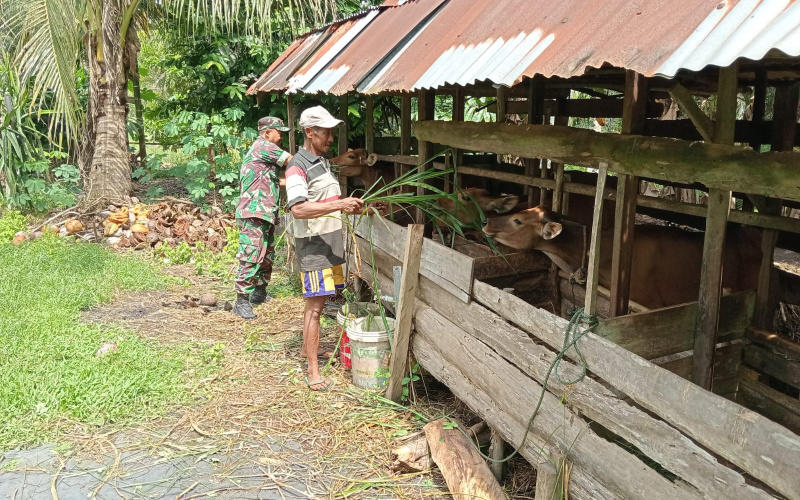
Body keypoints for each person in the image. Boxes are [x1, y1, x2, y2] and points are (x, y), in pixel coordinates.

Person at [285, 106, 366, 392]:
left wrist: (354, 207)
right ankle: (312, 371)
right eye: (326, 132)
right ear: (309, 132)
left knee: (321, 304)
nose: (331, 137)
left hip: (328, 244)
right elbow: (299, 209)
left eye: (332, 131)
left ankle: (311, 352)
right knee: (315, 309)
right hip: (314, 247)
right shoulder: (297, 166)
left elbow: (324, 200)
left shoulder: (321, 162)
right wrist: (340, 204)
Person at [232, 117, 292, 320]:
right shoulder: (265, 146)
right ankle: (241, 302)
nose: (281, 135)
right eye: (279, 131)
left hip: (264, 211)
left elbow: (274, 180)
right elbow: (293, 162)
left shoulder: (263, 156)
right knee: (252, 254)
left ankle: (259, 293)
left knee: (266, 254)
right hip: (254, 211)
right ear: (267, 133)